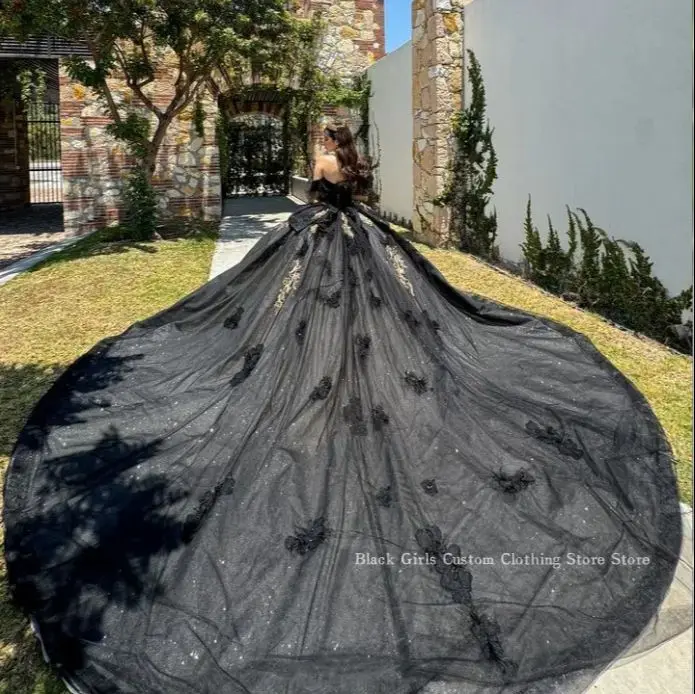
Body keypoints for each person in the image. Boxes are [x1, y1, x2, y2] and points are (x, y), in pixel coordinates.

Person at [2, 120, 690, 694]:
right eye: (315, 153)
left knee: (359, 354)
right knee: (318, 357)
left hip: (346, 267)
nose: (313, 159)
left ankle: (347, 415)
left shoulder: (340, 216)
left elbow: (341, 232)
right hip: (330, 269)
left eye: (321, 152)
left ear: (340, 158)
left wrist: (313, 221)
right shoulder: (328, 214)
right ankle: (330, 413)